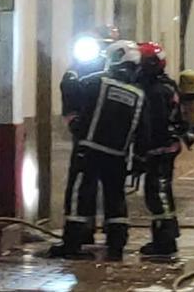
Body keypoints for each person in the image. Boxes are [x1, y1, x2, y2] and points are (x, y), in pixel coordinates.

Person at [49, 40, 145, 261]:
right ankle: (116, 245)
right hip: (118, 156)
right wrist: (139, 159)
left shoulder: (96, 82)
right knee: (116, 199)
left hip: (89, 150)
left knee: (79, 195)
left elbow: (72, 91)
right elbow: (143, 130)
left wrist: (72, 72)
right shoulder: (138, 95)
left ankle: (72, 244)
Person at [57, 25, 118, 246]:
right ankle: (82, 232)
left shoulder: (113, 74)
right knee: (82, 186)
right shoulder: (75, 75)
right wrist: (78, 127)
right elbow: (70, 102)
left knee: (112, 188)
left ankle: (113, 235)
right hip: (86, 141)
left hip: (110, 141)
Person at [133, 42, 187, 258]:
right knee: (161, 191)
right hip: (168, 145)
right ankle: (166, 237)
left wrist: (140, 153)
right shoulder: (167, 84)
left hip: (159, 148)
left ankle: (165, 241)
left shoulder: (154, 90)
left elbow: (150, 125)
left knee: (157, 193)